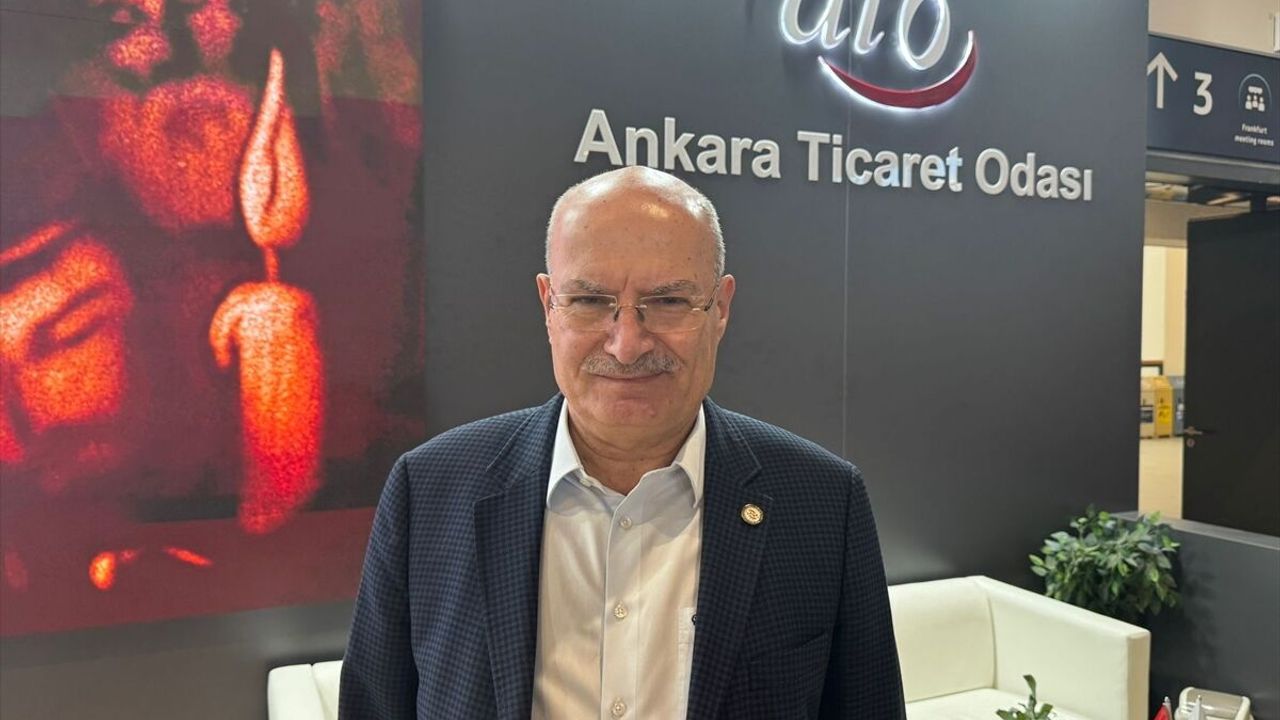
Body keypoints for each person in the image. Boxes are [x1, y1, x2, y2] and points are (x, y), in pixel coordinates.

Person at [339, 166, 905, 719]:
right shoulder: (430, 490)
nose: (627, 344)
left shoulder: (822, 502)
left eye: (669, 302)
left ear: (721, 309)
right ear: (548, 305)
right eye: (589, 301)